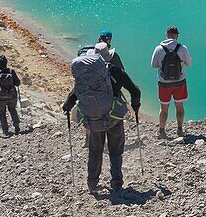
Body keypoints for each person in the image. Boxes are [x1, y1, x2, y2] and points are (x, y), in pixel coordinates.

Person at [63, 42, 141, 194]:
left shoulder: (86, 75)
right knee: (115, 151)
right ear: (109, 56)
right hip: (114, 118)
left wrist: (67, 107)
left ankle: (92, 184)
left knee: (95, 152)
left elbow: (72, 96)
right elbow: (135, 90)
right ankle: (116, 183)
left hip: (94, 120)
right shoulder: (116, 71)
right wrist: (136, 106)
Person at [150, 25, 193, 139]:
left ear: (166, 35)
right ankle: (179, 129)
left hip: (164, 84)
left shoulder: (158, 49)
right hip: (180, 83)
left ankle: (162, 131)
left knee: (164, 109)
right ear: (177, 36)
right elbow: (189, 63)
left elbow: (153, 65)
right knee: (179, 107)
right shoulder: (182, 48)